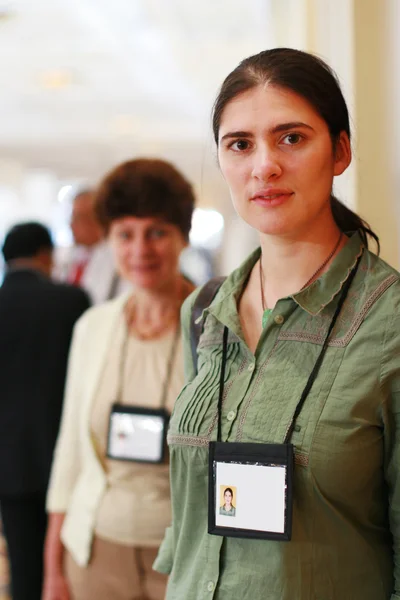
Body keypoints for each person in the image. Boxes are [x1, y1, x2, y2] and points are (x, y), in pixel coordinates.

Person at [154, 48, 400, 599]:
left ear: (339, 151)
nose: (263, 165)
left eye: (291, 138)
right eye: (240, 144)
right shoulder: (204, 311)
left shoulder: (389, 325)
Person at [43, 158, 196, 600]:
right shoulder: (93, 327)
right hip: (95, 553)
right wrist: (53, 570)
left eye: (157, 232)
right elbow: (70, 450)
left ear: (182, 237)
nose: (140, 250)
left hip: (185, 555)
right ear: (109, 239)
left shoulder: (215, 328)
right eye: (125, 234)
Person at [0, 222, 90, 600]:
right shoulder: (70, 301)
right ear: (45, 254)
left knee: (22, 566)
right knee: (69, 567)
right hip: (67, 455)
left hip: (8, 460)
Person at [54, 189, 130, 304]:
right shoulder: (66, 256)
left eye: (78, 217)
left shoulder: (117, 259)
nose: (71, 224)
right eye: (72, 217)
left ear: (99, 220)